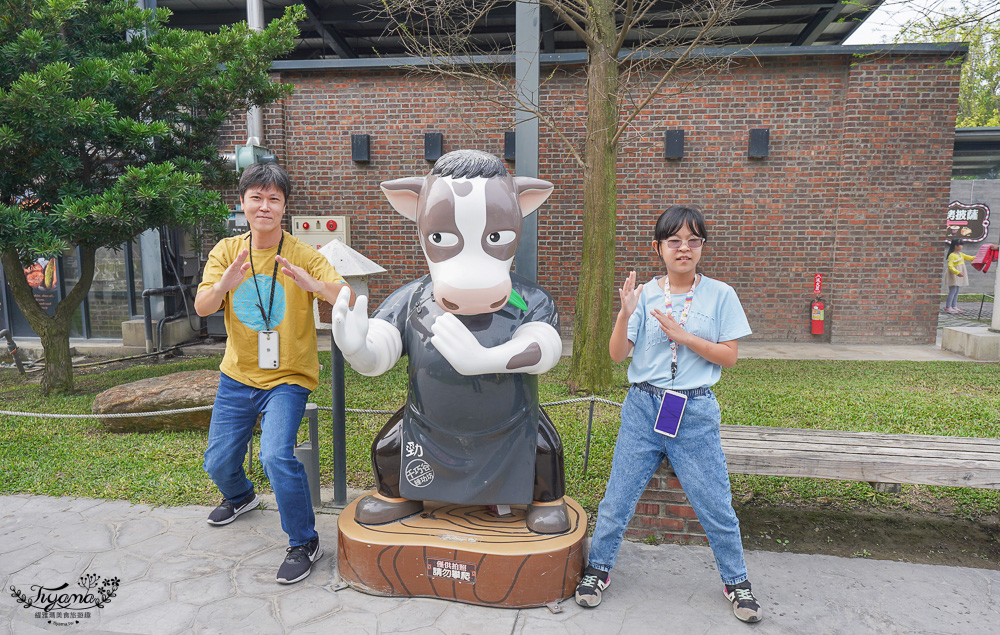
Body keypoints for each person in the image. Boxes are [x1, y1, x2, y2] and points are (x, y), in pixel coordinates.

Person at [574, 205, 761, 624]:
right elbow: (618, 355)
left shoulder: (720, 294)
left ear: (702, 248)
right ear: (658, 247)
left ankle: (738, 582)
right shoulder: (645, 295)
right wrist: (625, 312)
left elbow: (729, 357)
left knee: (715, 503)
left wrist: (684, 336)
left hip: (693, 408)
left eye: (694, 241)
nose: (684, 248)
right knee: (618, 496)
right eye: (674, 241)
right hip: (643, 405)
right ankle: (598, 571)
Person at [194, 162, 355, 584]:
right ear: (243, 202)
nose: (264, 206)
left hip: (287, 376)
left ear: (284, 207)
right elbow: (203, 307)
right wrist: (225, 283)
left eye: (274, 199)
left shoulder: (302, 253)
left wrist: (315, 285)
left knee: (275, 454)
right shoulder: (226, 251)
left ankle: (304, 540)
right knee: (216, 462)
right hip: (238, 374)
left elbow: (346, 295)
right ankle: (241, 496)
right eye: (256, 198)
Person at [944, 239, 975, 314]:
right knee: (953, 291)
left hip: (958, 275)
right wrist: (957, 272)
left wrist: (981, 256)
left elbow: (970, 257)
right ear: (956, 246)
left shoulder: (961, 254)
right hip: (954, 275)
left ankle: (954, 306)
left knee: (956, 290)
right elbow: (950, 266)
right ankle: (948, 307)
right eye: (960, 245)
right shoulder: (952, 255)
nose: (962, 246)